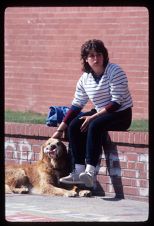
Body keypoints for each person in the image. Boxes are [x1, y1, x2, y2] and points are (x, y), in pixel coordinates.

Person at [52, 39, 133, 188]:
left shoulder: (115, 71)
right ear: (86, 59)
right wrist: (59, 130)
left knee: (94, 124)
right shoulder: (85, 78)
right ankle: (78, 171)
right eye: (91, 55)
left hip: (121, 114)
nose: (96, 59)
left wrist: (93, 117)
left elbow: (116, 103)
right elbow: (76, 105)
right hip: (101, 111)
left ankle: (90, 172)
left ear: (104, 56)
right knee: (75, 125)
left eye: (99, 54)